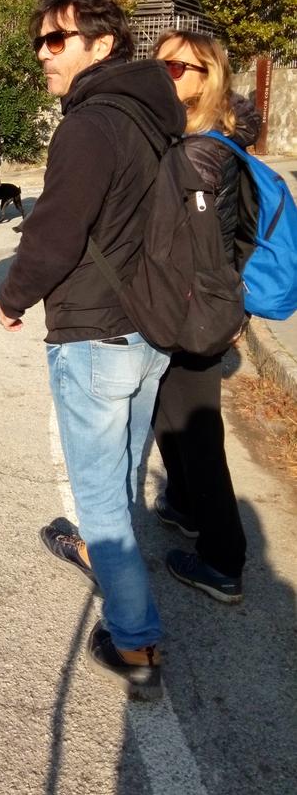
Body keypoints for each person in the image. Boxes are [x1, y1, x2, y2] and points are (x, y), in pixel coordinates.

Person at [0, 0, 185, 701]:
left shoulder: (89, 125)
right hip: (149, 330)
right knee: (123, 478)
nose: (44, 53)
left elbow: (57, 229)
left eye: (58, 39)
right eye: (39, 40)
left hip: (96, 334)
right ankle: (116, 569)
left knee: (101, 501)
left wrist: (14, 298)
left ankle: (134, 641)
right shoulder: (154, 118)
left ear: (102, 44)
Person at [151, 31, 260, 604]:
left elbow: (173, 242)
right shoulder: (206, 139)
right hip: (206, 300)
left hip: (195, 306)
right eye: (159, 65)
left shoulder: (198, 152)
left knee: (197, 431)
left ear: (206, 76)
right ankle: (186, 505)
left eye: (175, 68)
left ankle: (223, 560)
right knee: (171, 413)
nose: (161, 74)